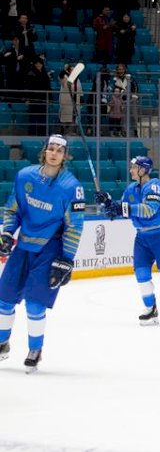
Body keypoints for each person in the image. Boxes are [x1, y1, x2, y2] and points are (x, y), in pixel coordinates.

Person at [0, 135, 85, 373]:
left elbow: (75, 225)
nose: (54, 153)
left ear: (65, 156)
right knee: (4, 299)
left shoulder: (71, 186)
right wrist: (7, 233)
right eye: (51, 148)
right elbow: (12, 208)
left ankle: (35, 350)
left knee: (35, 305)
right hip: (23, 247)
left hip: (50, 249)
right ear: (44, 151)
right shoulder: (25, 176)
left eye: (59, 150)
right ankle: (2, 343)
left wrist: (66, 259)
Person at [95, 156, 160, 326]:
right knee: (141, 274)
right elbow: (120, 209)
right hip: (142, 237)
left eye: (134, 167)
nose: (131, 170)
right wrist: (108, 203)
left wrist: (120, 208)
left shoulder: (154, 185)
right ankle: (150, 309)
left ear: (143, 170)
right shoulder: (131, 189)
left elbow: (149, 210)